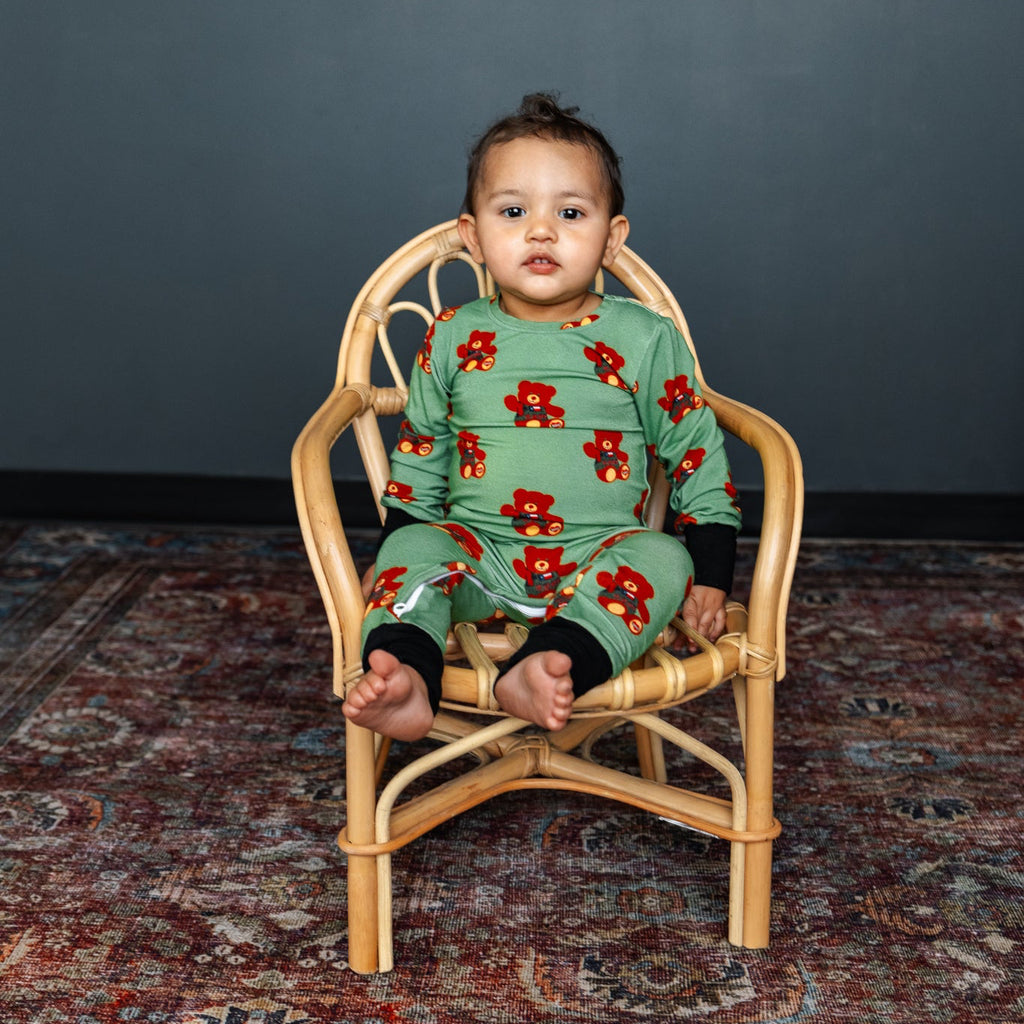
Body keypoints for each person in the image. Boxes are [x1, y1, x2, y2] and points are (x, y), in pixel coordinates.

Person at [342, 93, 741, 742]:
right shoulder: (452, 335)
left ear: (611, 239)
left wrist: (713, 572)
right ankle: (406, 673)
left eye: (572, 212)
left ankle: (548, 661)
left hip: (600, 556)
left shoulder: (643, 336)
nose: (541, 231)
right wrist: (397, 546)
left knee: (664, 557)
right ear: (473, 235)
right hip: (480, 554)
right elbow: (419, 460)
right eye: (513, 211)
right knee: (412, 550)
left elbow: (694, 452)